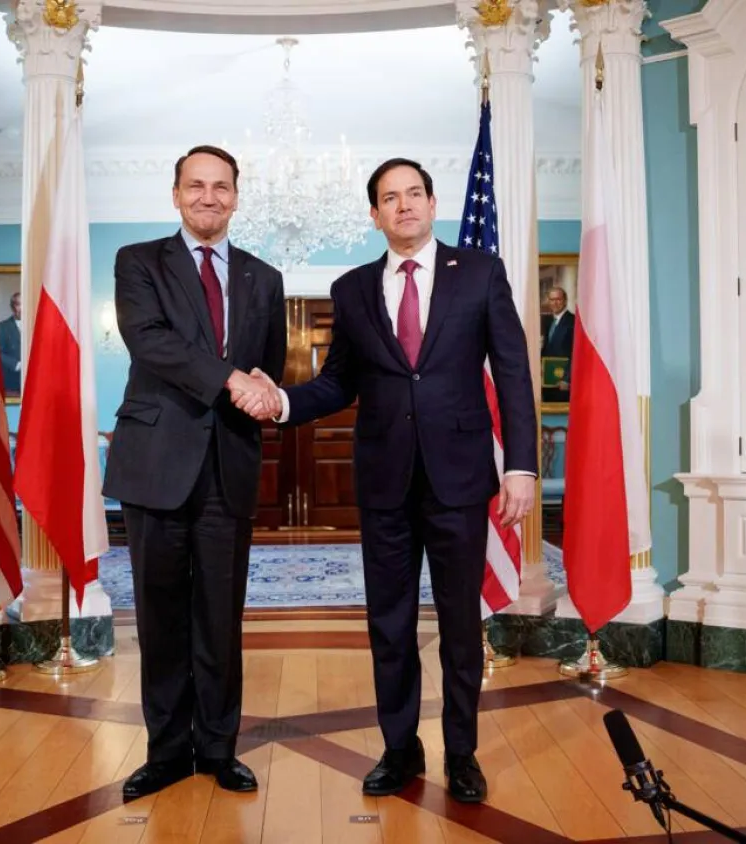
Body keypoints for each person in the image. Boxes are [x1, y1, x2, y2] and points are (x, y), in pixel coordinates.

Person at [237, 157, 537, 804]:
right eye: (388, 198)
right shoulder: (349, 290)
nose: (403, 206)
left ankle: (463, 755)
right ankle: (401, 750)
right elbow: (339, 381)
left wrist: (520, 466)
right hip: (384, 484)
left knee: (459, 625)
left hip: (460, 481)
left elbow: (512, 373)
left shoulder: (480, 273)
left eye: (413, 194)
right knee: (390, 625)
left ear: (432, 203)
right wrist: (283, 402)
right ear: (373, 215)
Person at [101, 145, 286, 801]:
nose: (209, 197)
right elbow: (151, 341)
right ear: (176, 193)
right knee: (160, 616)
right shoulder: (138, 263)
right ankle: (166, 752)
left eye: (221, 187)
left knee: (219, 617)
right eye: (195, 186)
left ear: (237, 196)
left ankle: (217, 749)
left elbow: (269, 365)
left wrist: (261, 386)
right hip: (155, 463)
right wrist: (234, 378)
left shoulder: (265, 278)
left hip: (228, 466)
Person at [540, 283, 574, 401]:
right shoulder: (547, 321)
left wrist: (567, 378)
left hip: (563, 382)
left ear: (565, 301)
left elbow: (576, 354)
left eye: (558, 299)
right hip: (546, 381)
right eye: (552, 299)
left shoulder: (573, 321)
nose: (555, 303)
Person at [0, 291, 22, 396]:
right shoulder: (3, 327)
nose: (23, 308)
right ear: (13, 307)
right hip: (11, 384)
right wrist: (16, 364)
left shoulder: (35, 325)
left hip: (34, 382)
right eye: (19, 304)